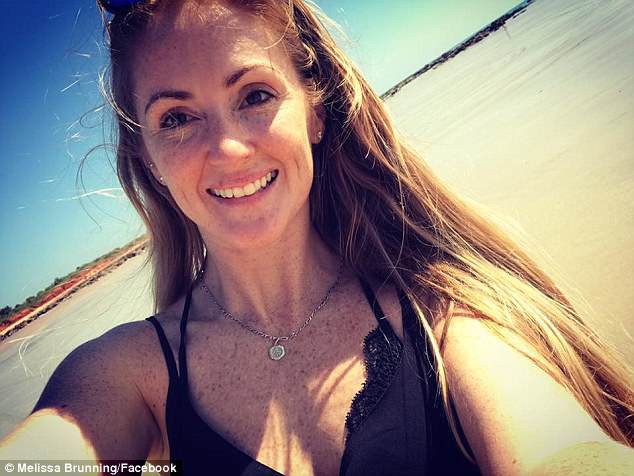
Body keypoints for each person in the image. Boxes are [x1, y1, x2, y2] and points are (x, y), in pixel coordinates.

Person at [1, 0, 634, 474]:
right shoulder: (127, 377)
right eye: (177, 118)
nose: (228, 148)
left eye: (254, 95)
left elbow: (563, 452)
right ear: (149, 158)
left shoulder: (444, 316)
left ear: (316, 112)